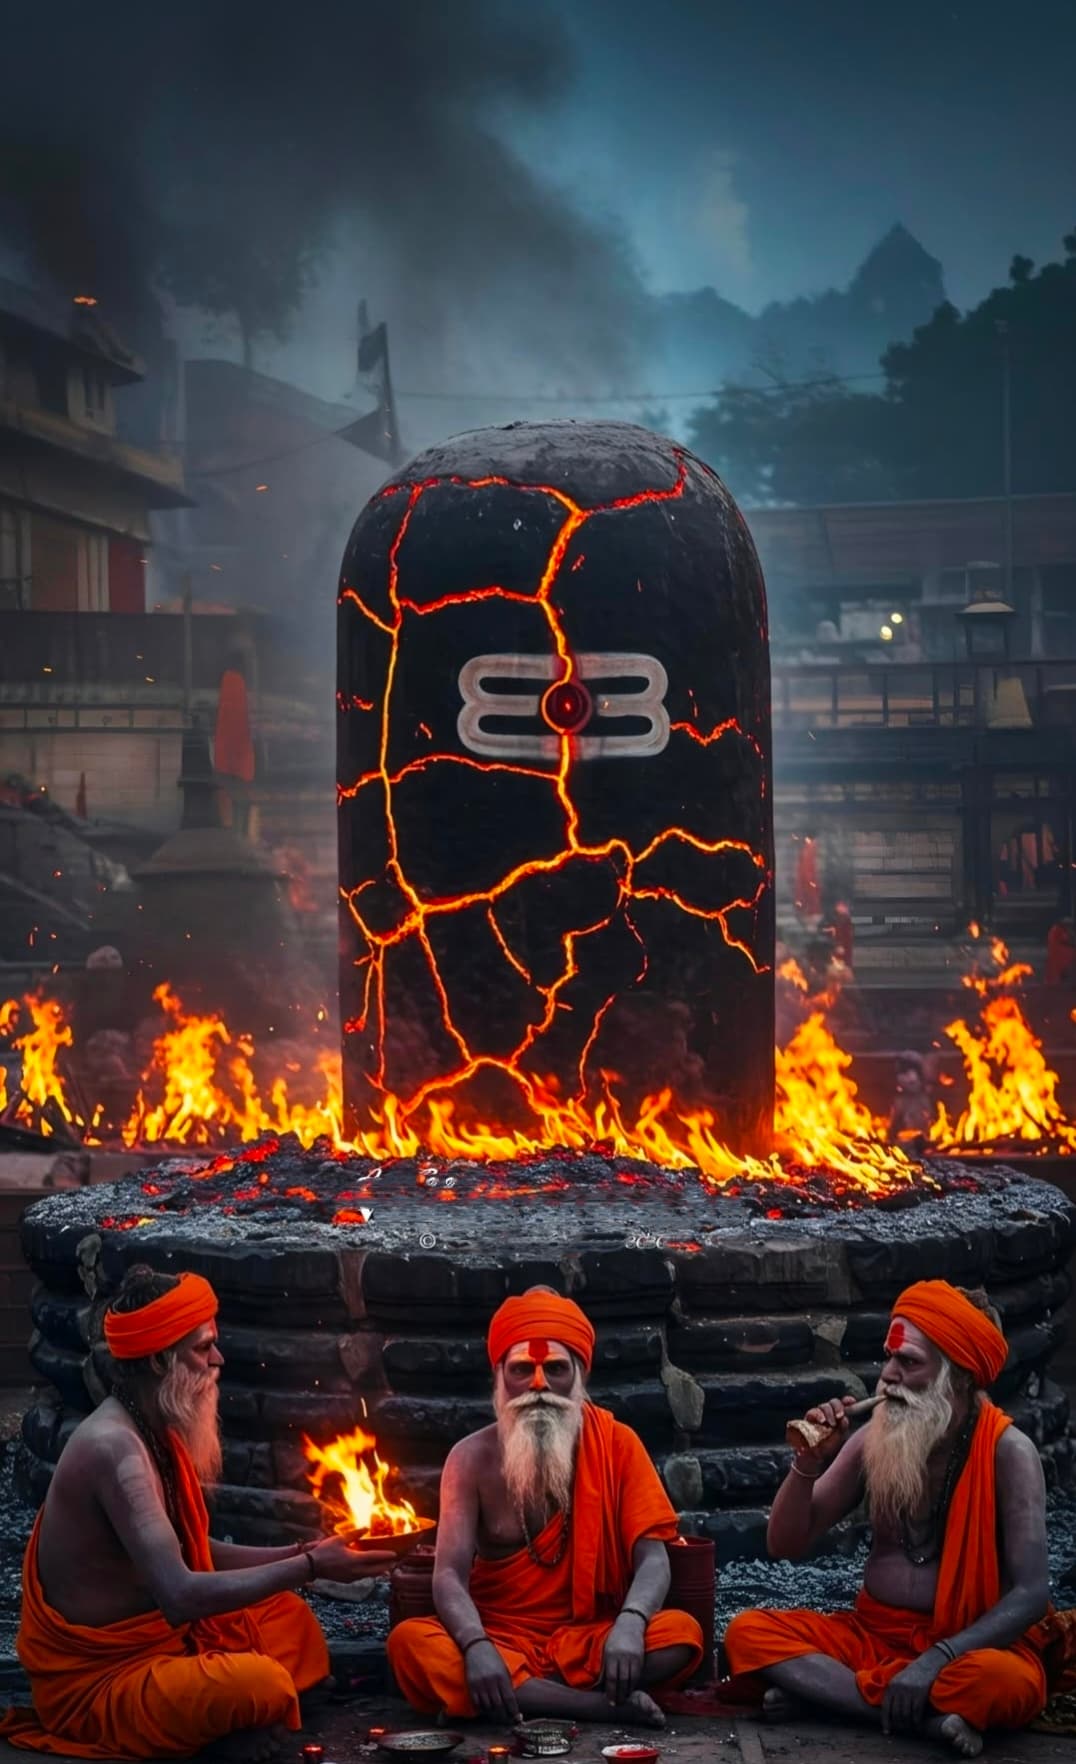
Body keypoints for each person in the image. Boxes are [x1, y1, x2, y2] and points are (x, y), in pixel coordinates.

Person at [0, 1265, 395, 1759]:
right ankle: (218, 1736)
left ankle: (232, 1720)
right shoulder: (115, 1450)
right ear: (162, 1361)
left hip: (167, 1645)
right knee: (261, 1682)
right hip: (102, 1680)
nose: (219, 1360)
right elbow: (181, 1595)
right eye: (203, 1348)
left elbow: (193, 1551)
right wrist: (313, 1567)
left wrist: (302, 1552)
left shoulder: (155, 1426)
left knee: (291, 1621)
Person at [724, 1281, 1051, 1758]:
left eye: (909, 1363)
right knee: (747, 1632)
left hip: (963, 1651)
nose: (888, 1377)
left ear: (957, 1376)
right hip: (871, 1638)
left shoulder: (1009, 1453)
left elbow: (1031, 1595)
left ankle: (833, 1699)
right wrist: (809, 1462)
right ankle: (909, 1716)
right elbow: (784, 1544)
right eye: (889, 1358)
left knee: (1000, 1681)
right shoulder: (871, 1439)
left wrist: (938, 1659)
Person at [387, 1288, 703, 1728]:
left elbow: (653, 1560)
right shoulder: (469, 1459)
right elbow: (448, 1575)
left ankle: (511, 1695)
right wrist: (476, 1646)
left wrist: (630, 1623)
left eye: (555, 1369)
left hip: (594, 1636)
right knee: (411, 1642)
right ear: (499, 1376)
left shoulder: (618, 1445)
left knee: (680, 1633)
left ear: (579, 1376)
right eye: (522, 1370)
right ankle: (596, 1705)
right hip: (502, 1637)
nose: (538, 1386)